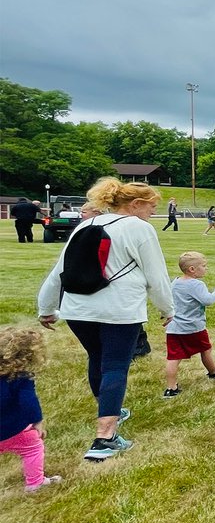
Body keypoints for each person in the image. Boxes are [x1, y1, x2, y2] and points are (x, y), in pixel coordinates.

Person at [36, 177, 174, 462]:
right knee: (114, 365)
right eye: (151, 207)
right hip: (119, 310)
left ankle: (109, 408)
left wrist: (46, 307)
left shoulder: (87, 225)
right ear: (135, 204)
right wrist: (167, 309)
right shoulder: (139, 228)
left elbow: (59, 270)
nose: (152, 213)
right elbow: (156, 276)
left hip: (77, 310)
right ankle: (105, 437)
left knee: (97, 358)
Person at [163, 251, 215, 397]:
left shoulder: (175, 282)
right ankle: (214, 372)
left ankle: (171, 388)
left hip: (174, 328)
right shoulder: (196, 284)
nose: (206, 268)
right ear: (192, 269)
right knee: (205, 349)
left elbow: (169, 301)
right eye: (204, 266)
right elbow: (207, 300)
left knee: (173, 357)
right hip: (193, 328)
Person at [0, 326, 62, 492]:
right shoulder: (22, 377)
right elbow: (28, 401)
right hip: (15, 429)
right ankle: (35, 483)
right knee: (33, 448)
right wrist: (37, 422)